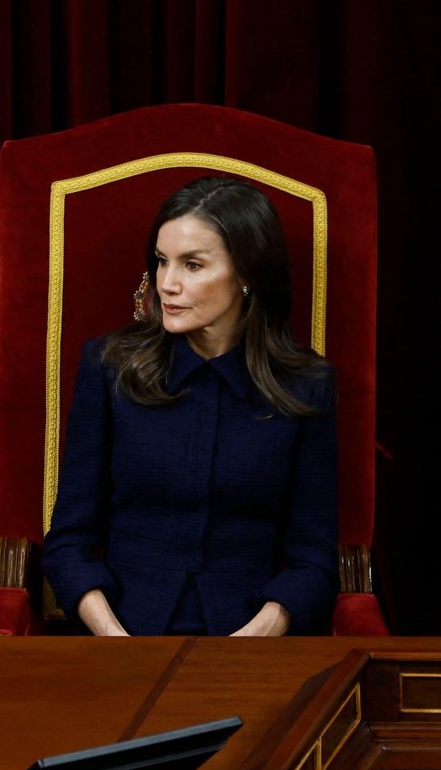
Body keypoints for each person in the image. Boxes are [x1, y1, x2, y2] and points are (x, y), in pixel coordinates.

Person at [42, 177, 338, 637]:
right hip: (119, 635)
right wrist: (113, 638)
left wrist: (257, 636)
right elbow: (68, 543)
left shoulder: (306, 385)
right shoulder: (109, 366)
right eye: (161, 262)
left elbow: (313, 560)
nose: (167, 284)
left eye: (193, 265)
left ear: (246, 275)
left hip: (253, 641)